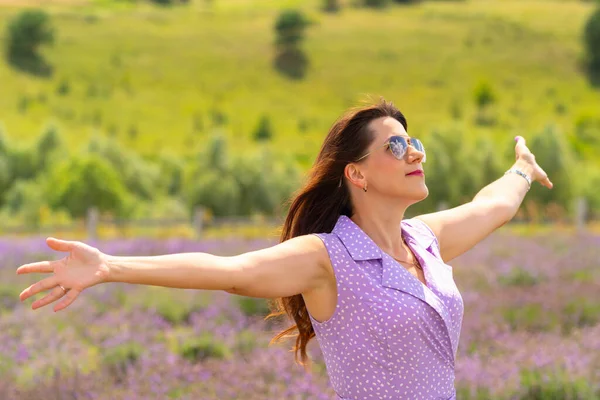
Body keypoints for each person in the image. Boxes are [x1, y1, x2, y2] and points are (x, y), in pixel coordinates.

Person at [16, 99, 553, 400]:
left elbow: (493, 207)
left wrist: (521, 171)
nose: (414, 152)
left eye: (415, 143)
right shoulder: (327, 258)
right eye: (396, 145)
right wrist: (111, 266)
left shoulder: (427, 243)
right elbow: (231, 271)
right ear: (357, 174)